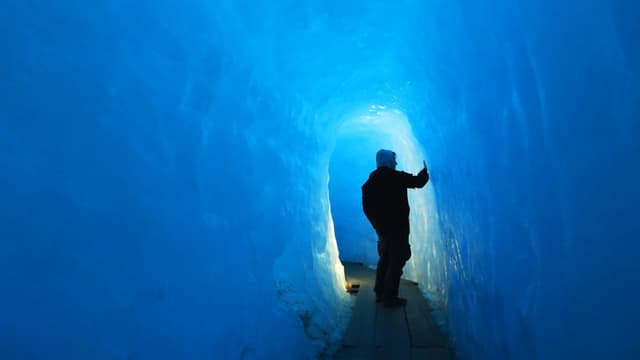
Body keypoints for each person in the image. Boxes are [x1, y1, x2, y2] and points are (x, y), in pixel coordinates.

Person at [362, 149, 429, 308]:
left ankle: (379, 293)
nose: (396, 163)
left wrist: (377, 225)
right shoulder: (396, 177)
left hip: (383, 230)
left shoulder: (369, 184)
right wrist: (426, 171)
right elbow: (418, 182)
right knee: (397, 260)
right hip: (398, 228)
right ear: (388, 161)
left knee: (385, 260)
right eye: (394, 160)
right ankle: (389, 298)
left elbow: (366, 208)